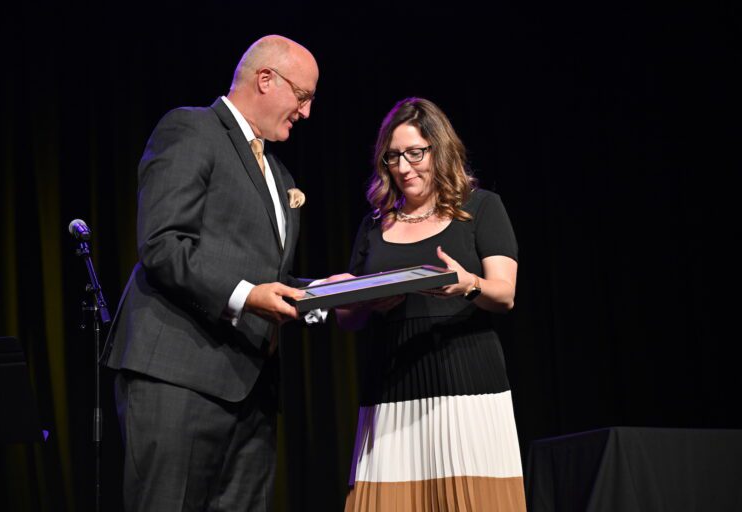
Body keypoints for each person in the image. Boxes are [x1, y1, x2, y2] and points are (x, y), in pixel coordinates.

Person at [102, 35, 320, 511]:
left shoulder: (278, 174)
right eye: (302, 97)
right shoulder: (192, 129)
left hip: (252, 389)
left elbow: (260, 272)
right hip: (178, 377)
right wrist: (246, 297)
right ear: (266, 79)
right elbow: (162, 245)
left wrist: (323, 292)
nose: (305, 113)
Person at [337, 97, 526, 511]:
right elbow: (348, 321)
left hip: (465, 386)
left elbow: (505, 293)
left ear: (439, 150)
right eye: (393, 157)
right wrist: (357, 299)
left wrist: (467, 283)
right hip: (390, 387)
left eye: (415, 154)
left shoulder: (480, 208)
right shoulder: (374, 223)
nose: (404, 168)